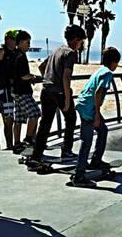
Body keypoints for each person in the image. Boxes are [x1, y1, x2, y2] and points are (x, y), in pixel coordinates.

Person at [28, 25, 86, 169]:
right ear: (76, 40)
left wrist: (48, 78)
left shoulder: (57, 50)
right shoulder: (71, 53)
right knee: (71, 118)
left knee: (45, 123)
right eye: (81, 42)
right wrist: (67, 99)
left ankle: (36, 155)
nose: (81, 45)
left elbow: (42, 66)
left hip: (46, 90)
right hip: (60, 92)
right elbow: (66, 77)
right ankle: (66, 151)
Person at [72, 47, 121, 187]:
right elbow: (99, 92)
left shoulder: (100, 70)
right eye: (116, 63)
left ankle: (96, 161)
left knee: (103, 130)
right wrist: (97, 115)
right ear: (113, 62)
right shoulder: (108, 74)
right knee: (86, 141)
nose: (116, 66)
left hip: (83, 105)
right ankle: (79, 175)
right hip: (89, 110)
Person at [12, 30, 41, 154]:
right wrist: (34, 77)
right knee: (35, 113)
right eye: (28, 42)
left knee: (18, 119)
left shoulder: (14, 54)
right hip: (22, 92)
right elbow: (24, 75)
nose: (29, 45)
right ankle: (28, 139)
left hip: (15, 91)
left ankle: (16, 143)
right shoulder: (21, 56)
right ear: (22, 42)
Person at [0, 30, 18, 150]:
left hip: (11, 88)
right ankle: (9, 145)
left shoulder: (14, 52)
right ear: (8, 39)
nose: (15, 42)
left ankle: (12, 143)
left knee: (11, 117)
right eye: (14, 39)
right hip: (2, 88)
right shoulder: (0, 51)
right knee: (8, 117)